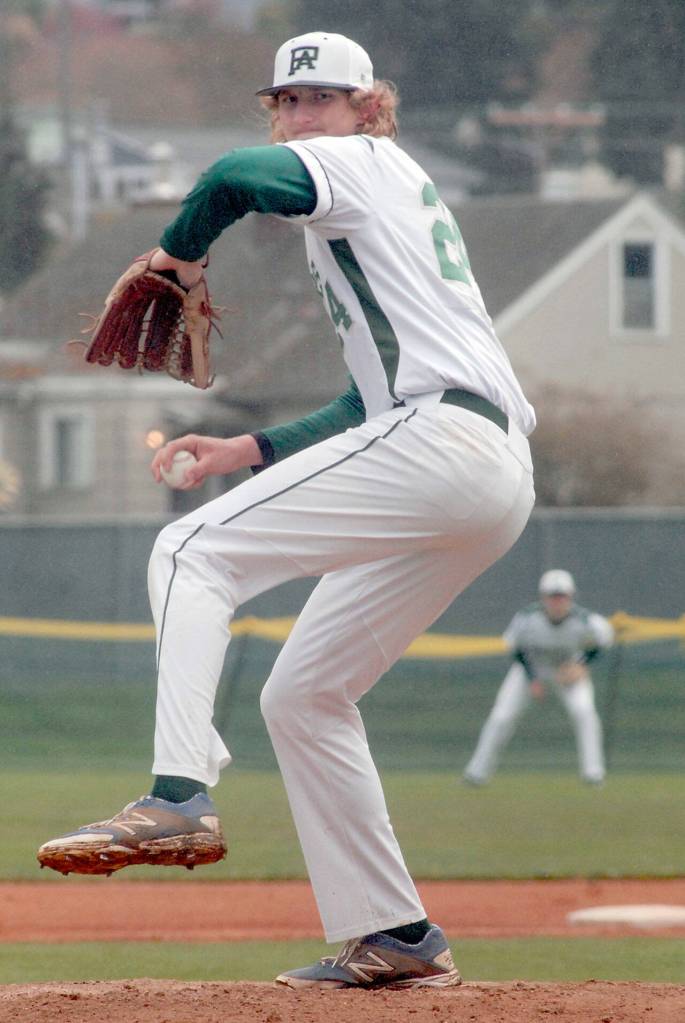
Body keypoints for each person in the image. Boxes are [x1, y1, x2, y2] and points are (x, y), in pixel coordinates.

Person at [38, 31, 536, 989]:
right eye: (288, 103)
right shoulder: (376, 207)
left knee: (190, 550)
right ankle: (397, 935)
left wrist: (179, 257)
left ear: (367, 108)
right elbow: (370, 401)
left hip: (446, 446)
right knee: (303, 694)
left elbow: (230, 176)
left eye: (323, 100)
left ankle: (177, 794)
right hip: (474, 465)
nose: (303, 117)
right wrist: (252, 447)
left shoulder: (354, 166)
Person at [463, 569, 614, 787]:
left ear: (571, 597)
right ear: (543, 598)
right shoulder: (527, 618)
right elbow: (514, 648)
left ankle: (593, 774)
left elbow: (605, 639)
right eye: (553, 596)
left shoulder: (586, 620)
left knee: (585, 712)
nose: (557, 601)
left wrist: (581, 665)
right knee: (501, 716)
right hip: (530, 669)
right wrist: (533, 679)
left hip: (567, 671)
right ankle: (476, 774)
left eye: (562, 596)